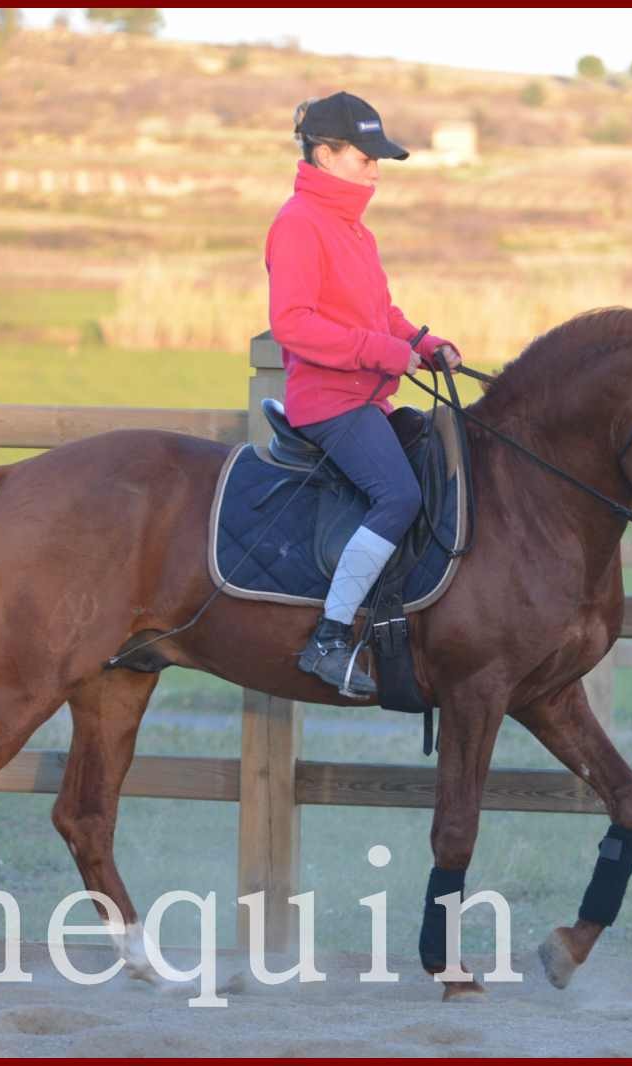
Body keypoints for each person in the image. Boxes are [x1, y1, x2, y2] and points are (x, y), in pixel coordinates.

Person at [264, 91, 463, 697]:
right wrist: (383, 352)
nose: (376, 170)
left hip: (366, 398)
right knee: (398, 496)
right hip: (329, 403)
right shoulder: (298, 224)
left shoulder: (355, 231)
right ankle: (327, 639)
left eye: (379, 160)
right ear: (325, 154)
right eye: (365, 157)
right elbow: (292, 323)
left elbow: (379, 312)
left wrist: (421, 342)